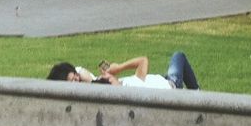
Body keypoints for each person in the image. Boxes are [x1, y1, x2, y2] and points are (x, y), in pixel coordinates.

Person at [48, 52, 200, 90]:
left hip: (159, 78)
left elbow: (81, 71)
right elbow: (143, 61)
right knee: (178, 56)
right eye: (74, 80)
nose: (78, 77)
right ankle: (198, 94)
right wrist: (118, 68)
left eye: (76, 76)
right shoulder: (126, 88)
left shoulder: (102, 85)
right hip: (170, 85)